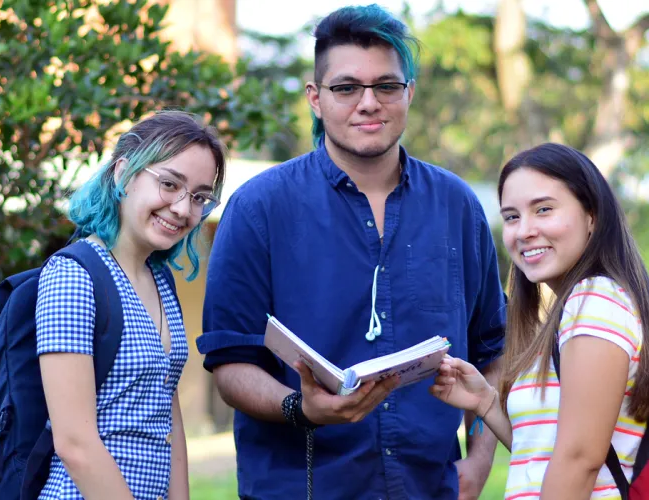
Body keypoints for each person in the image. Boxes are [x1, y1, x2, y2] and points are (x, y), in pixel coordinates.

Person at [196, 4, 507, 500]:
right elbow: (231, 365)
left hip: (429, 489)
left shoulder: (458, 206)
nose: (368, 103)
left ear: (408, 94)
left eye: (386, 86)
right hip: (300, 488)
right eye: (347, 88)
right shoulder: (258, 208)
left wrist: (481, 457)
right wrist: (302, 407)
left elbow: (492, 347)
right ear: (316, 99)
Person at [430, 143, 649, 499]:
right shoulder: (577, 309)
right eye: (512, 216)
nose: (525, 230)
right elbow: (546, 453)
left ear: (591, 215)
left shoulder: (594, 302)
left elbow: (579, 460)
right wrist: (485, 402)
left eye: (543, 210)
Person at [35, 111, 225, 499]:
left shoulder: (160, 280)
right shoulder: (73, 275)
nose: (183, 209)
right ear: (123, 173)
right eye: (170, 184)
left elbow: (166, 413)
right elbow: (74, 442)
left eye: (200, 197)